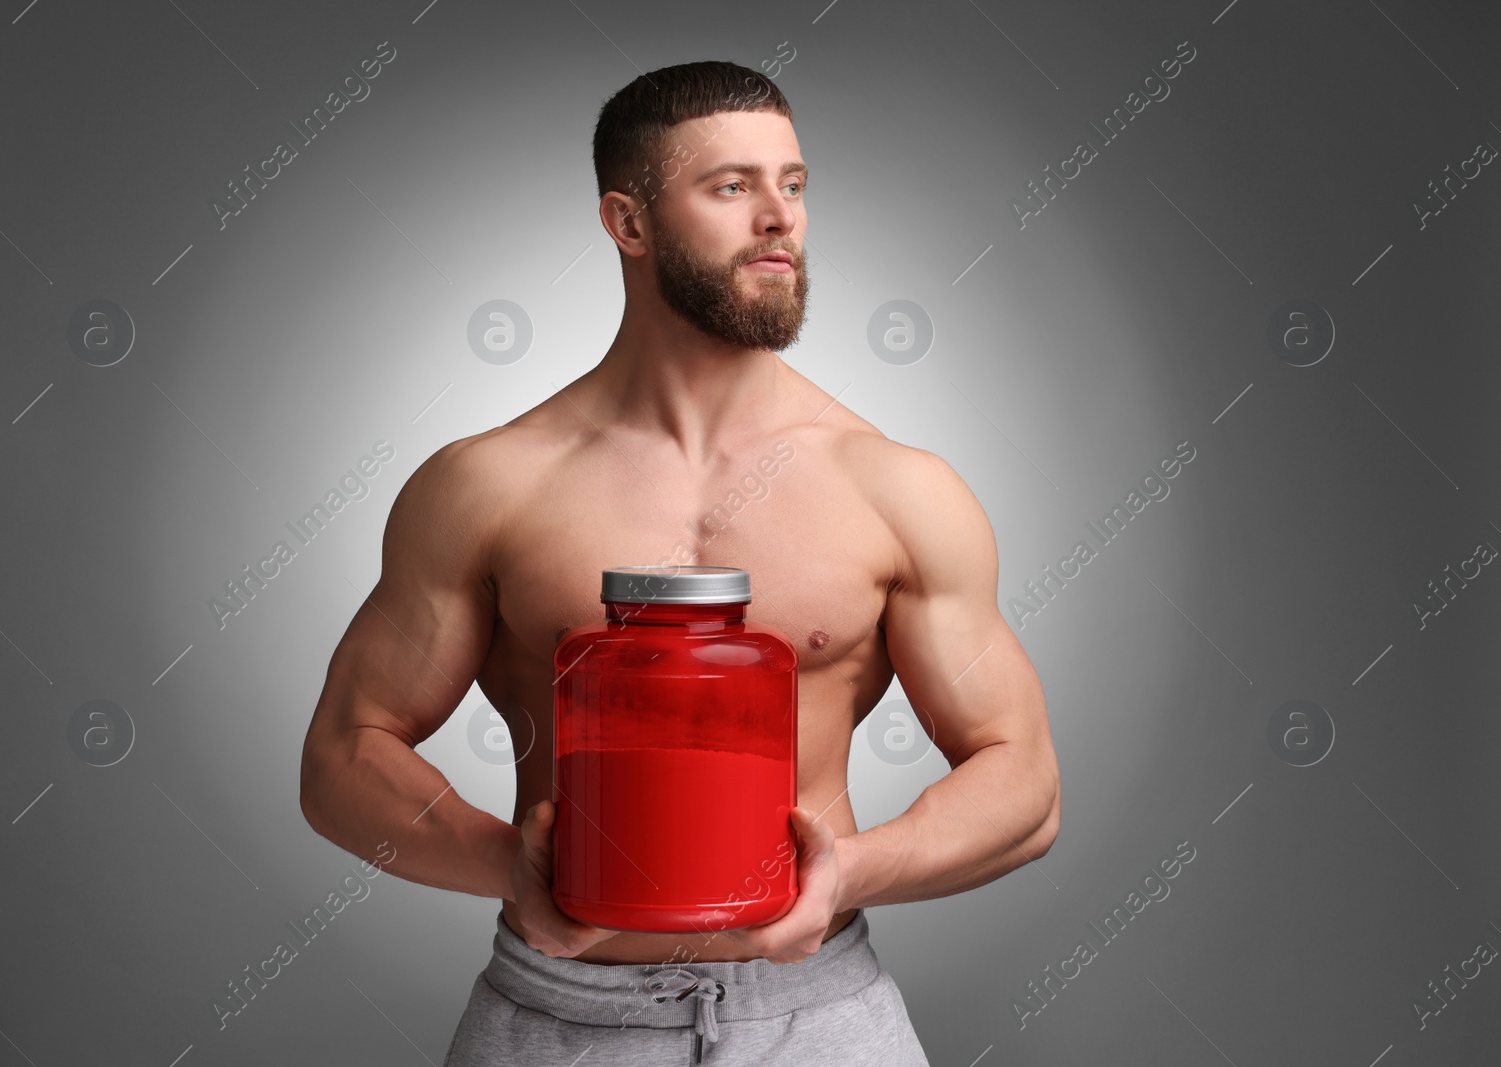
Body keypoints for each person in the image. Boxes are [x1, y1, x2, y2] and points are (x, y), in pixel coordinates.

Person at [299, 59, 1060, 1066]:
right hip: (557, 1016)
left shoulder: (895, 488)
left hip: (817, 1018)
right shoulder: (488, 485)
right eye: (731, 186)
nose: (778, 217)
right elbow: (344, 754)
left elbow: (1025, 780)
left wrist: (856, 869)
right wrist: (505, 860)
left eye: (792, 184)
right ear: (628, 222)